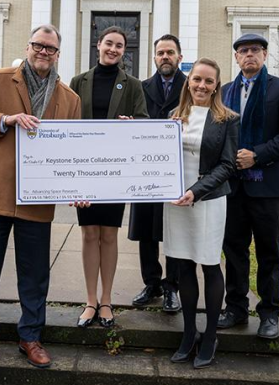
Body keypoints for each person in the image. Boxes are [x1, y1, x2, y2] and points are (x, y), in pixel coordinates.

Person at [0, 24, 81, 368]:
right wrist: (6, 120)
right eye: (38, 46)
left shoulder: (69, 99)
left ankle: (30, 336)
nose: (43, 53)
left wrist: (78, 187)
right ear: (28, 47)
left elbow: (73, 151)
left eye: (50, 49)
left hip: (38, 198)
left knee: (35, 274)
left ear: (58, 54)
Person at [69, 26, 148, 328]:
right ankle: (90, 301)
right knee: (89, 233)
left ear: (124, 52)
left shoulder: (132, 85)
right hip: (85, 167)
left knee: (109, 234)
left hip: (116, 169)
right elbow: (68, 122)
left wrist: (131, 124)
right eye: (109, 44)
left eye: (119, 46)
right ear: (98, 45)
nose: (113, 49)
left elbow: (142, 120)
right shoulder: (79, 81)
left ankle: (106, 301)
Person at [165, 58, 239, 368]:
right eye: (197, 79)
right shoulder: (173, 116)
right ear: (188, 81)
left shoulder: (227, 119)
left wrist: (196, 190)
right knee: (182, 267)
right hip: (175, 202)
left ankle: (209, 335)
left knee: (209, 265)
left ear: (216, 86)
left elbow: (227, 165)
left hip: (207, 201)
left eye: (209, 81)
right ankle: (188, 333)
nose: (201, 85)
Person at [218, 34, 279, 339]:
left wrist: (257, 155)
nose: (249, 55)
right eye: (244, 51)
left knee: (270, 252)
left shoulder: (277, 89)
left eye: (255, 50)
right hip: (233, 187)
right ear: (237, 58)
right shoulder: (226, 91)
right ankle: (236, 309)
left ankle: (270, 312)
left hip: (267, 187)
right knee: (234, 250)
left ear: (265, 56)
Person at [128, 34, 185, 311]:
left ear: (179, 58)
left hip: (178, 171)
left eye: (170, 52)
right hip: (146, 170)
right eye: (160, 52)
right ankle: (151, 283)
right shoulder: (142, 87)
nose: (165, 57)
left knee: (173, 230)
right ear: (154, 58)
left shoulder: (191, 86)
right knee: (146, 230)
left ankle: (172, 286)